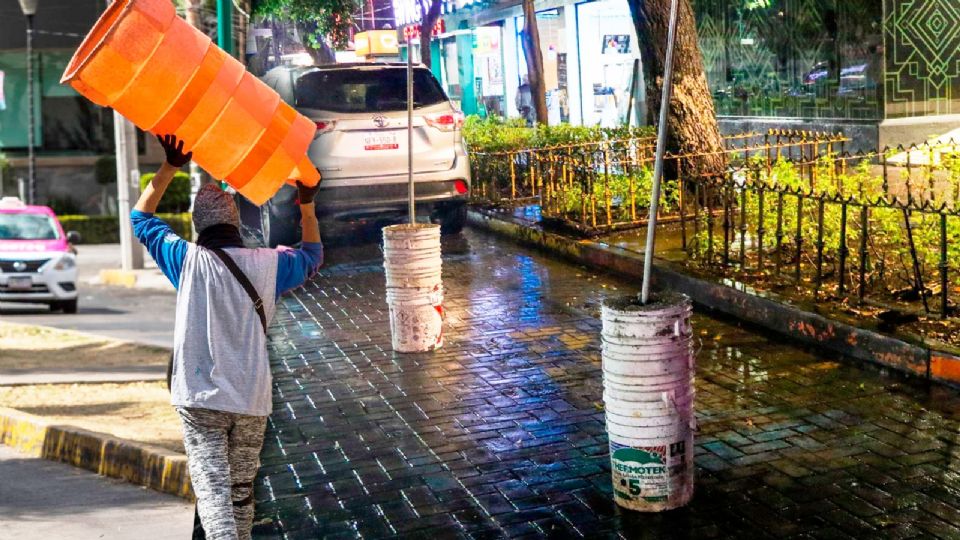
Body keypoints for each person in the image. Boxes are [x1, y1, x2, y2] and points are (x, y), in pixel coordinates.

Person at [131, 134, 323, 540]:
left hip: (199, 398)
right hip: (251, 398)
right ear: (234, 222)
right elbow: (312, 254)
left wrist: (170, 166)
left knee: (214, 495)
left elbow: (140, 219)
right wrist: (306, 203)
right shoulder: (269, 264)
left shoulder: (184, 259)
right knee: (238, 493)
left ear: (199, 225)